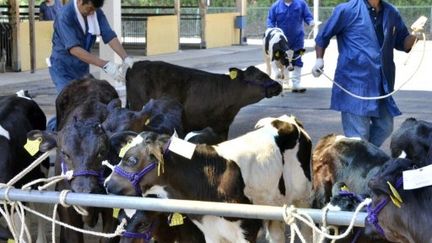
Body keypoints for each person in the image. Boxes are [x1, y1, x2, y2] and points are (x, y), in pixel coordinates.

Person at [311, 0, 422, 147]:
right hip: (354, 83)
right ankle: (362, 160)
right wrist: (319, 59)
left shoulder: (391, 12)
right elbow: (323, 36)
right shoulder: (346, 10)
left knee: (385, 127)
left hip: (381, 84)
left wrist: (416, 34)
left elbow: (403, 43)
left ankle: (362, 157)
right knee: (359, 134)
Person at [47, 0, 133, 131]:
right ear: (80, 1)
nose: (92, 12)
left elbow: (109, 35)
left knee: (86, 103)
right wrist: (105, 65)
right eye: (90, 9)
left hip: (81, 67)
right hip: (63, 68)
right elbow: (74, 49)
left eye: (94, 9)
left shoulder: (96, 13)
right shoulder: (65, 15)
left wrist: (125, 57)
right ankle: (53, 131)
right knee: (69, 105)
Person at [266, 0, 314, 93]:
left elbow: (307, 16)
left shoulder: (301, 4)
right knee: (282, 59)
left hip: (297, 38)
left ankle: (296, 83)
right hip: (282, 40)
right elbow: (270, 20)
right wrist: (271, 30)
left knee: (298, 58)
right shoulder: (276, 6)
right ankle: (282, 82)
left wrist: (311, 22)